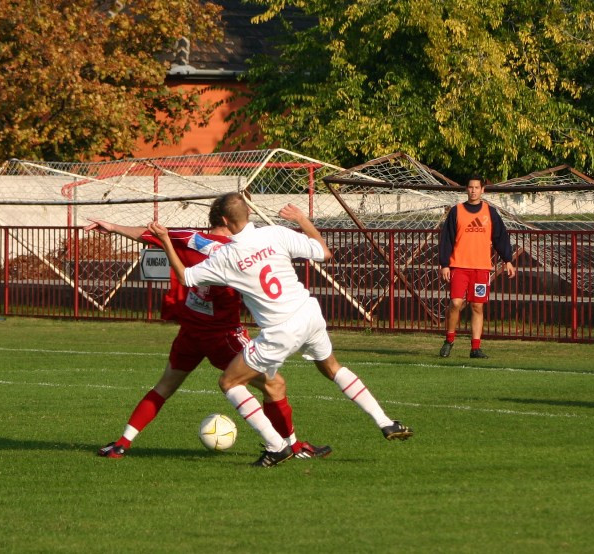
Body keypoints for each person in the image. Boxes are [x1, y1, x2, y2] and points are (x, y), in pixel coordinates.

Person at [149, 193, 413, 468]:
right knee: (333, 368)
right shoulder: (275, 233)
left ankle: (277, 446)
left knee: (229, 382)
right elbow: (324, 252)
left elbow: (185, 277)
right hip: (309, 313)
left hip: (280, 330)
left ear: (225, 220)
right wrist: (302, 220)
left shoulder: (227, 254)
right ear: (248, 214)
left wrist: (166, 240)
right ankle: (386, 422)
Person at [86, 204, 332, 460]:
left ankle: (122, 443)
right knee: (274, 384)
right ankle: (292, 447)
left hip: (190, 332)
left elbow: (147, 234)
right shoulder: (234, 249)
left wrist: (113, 227)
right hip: (223, 335)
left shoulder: (191, 239)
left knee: (165, 386)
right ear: (229, 221)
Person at [438, 175, 517, 359]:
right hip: (459, 266)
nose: (473, 190)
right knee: (456, 303)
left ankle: (475, 348)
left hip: (481, 269)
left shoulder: (490, 213)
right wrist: (445, 264)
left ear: (483, 190)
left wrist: (508, 260)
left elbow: (500, 238)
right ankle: (449, 340)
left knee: (477, 307)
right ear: (466, 189)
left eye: (476, 187)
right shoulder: (456, 211)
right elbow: (447, 239)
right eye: (470, 187)